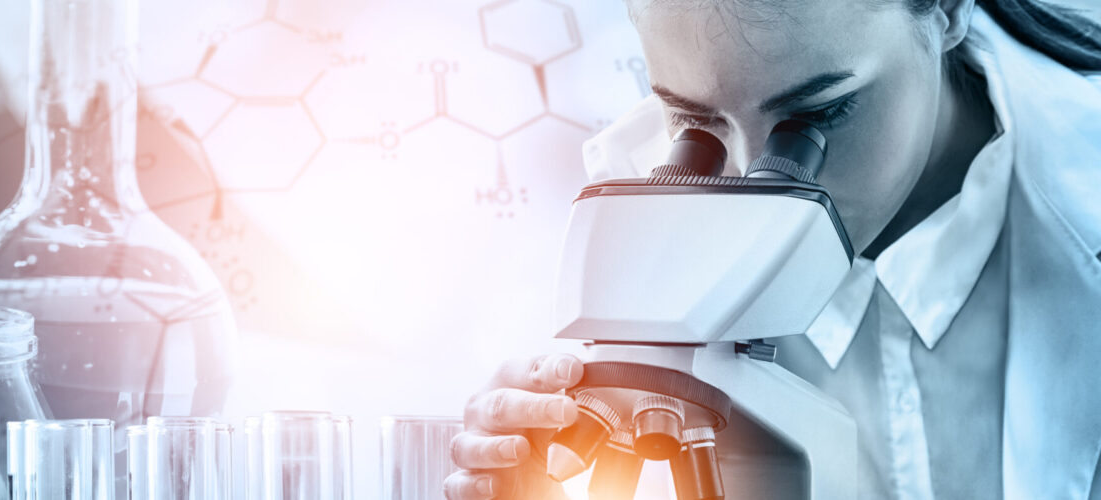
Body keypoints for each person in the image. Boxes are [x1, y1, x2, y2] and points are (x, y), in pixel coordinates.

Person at [445, 0, 1101, 498]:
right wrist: (533, 465)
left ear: (949, 10)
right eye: (695, 123)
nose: (751, 178)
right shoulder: (621, 228)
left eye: (818, 114)